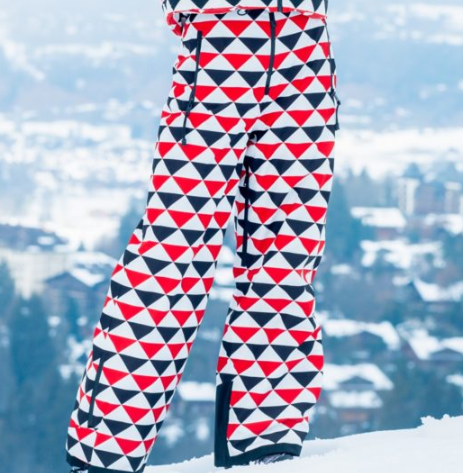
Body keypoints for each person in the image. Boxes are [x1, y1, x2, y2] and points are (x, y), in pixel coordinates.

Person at [66, 0, 340, 472]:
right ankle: (105, 452)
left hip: (306, 47)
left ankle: (264, 437)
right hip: (220, 42)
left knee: (288, 254)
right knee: (173, 255)